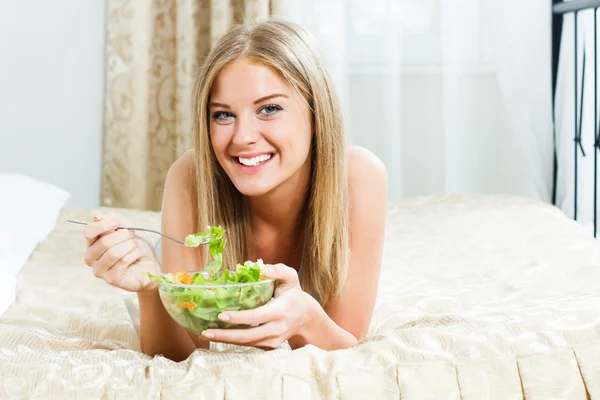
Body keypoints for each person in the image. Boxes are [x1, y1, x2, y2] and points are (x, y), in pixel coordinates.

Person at [82, 19, 387, 361]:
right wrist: (152, 290)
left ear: (316, 114)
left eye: (269, 109)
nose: (243, 137)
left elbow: (348, 350)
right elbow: (184, 355)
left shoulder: (360, 176)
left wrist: (307, 319)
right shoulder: (190, 176)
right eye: (223, 115)